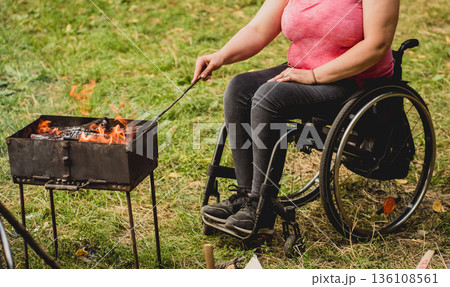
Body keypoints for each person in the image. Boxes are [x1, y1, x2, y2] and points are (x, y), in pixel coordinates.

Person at [194, 0, 399, 235]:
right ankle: (247, 196)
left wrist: (313, 75)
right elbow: (258, 29)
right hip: (304, 69)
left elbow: (377, 44)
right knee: (239, 89)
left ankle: (262, 208)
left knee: (269, 97)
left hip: (355, 80)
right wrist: (220, 56)